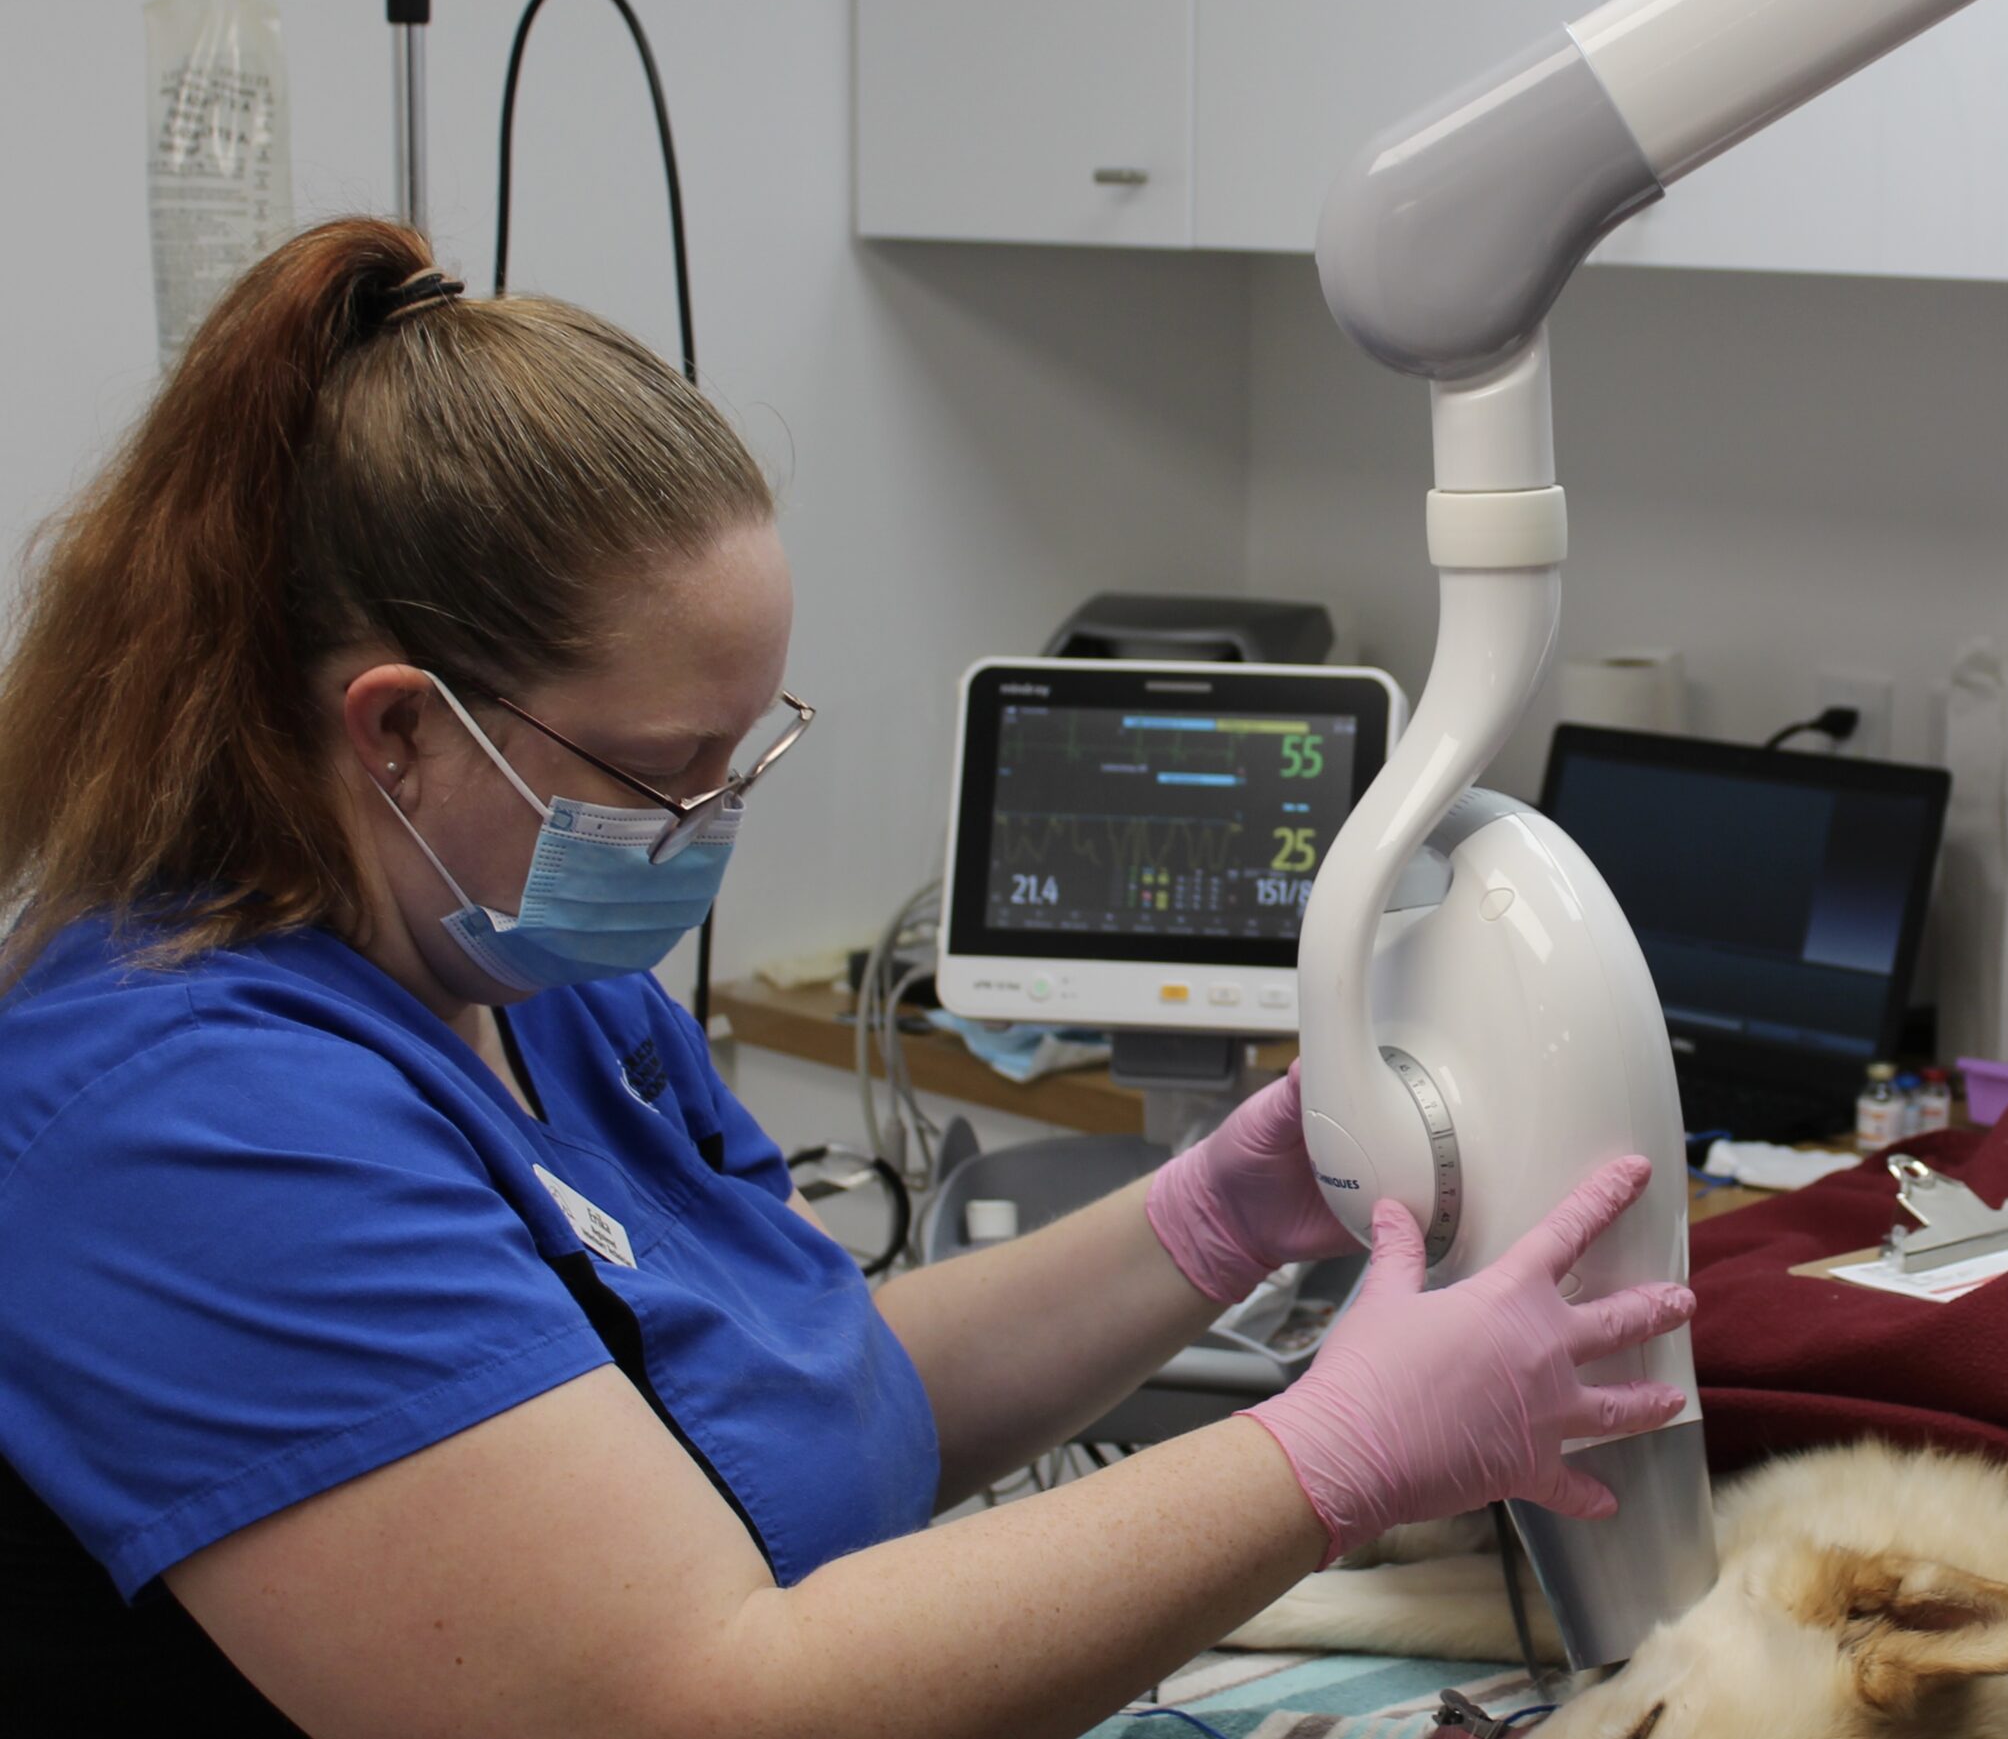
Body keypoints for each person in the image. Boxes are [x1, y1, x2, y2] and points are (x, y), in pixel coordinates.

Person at [0, 218, 1697, 1737]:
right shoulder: (183, 1123)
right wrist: (1326, 1458)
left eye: (749, 749)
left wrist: (1211, 1223)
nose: (714, 819)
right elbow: (692, 1700)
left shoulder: (523, 981)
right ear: (399, 729)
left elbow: (810, 1398)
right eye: (673, 769)